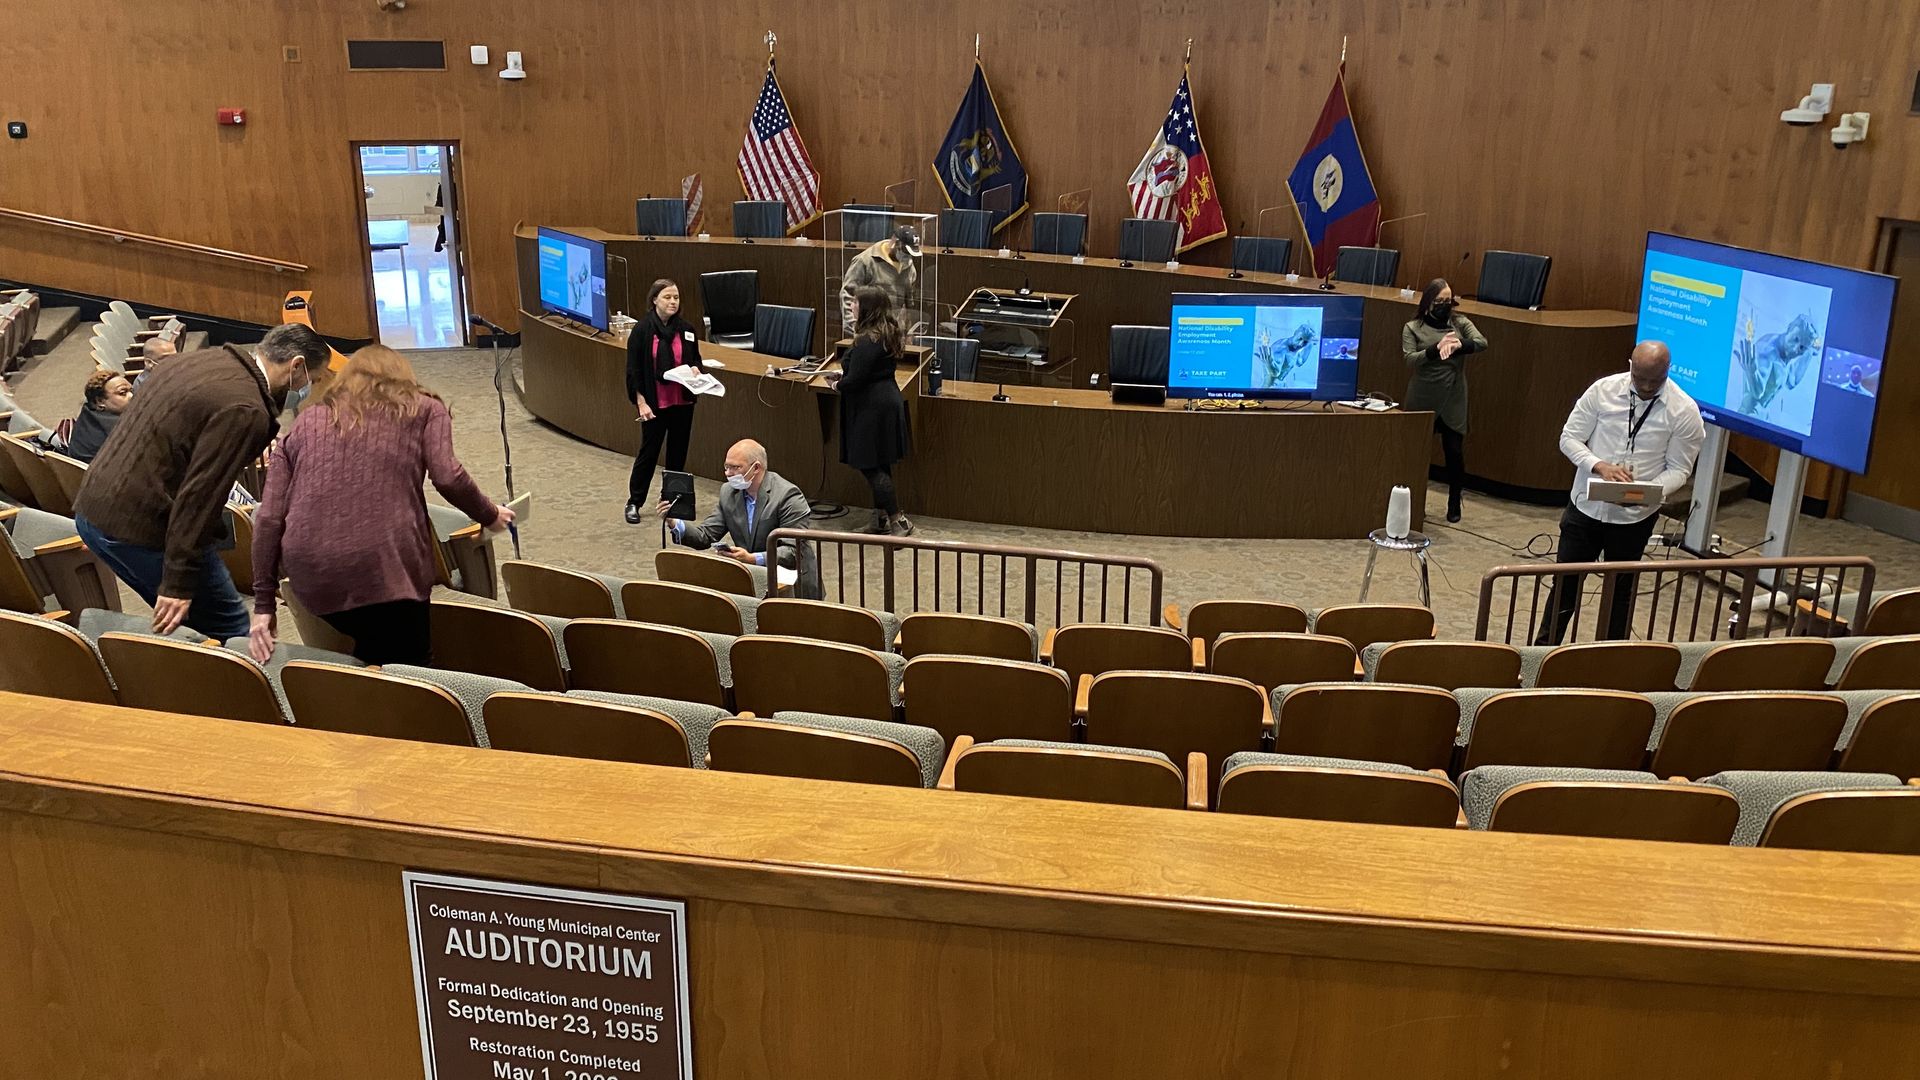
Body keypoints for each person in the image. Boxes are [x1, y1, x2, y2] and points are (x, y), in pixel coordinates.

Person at [248, 345, 510, 665]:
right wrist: (490, 514)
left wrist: (263, 605)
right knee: (411, 666)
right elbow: (448, 477)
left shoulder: (305, 422)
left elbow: (269, 518)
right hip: (385, 569)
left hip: (311, 576)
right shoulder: (424, 408)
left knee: (374, 644)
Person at [72, 324, 322, 638]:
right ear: (297, 366)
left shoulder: (196, 362)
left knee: (189, 626)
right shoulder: (246, 409)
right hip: (143, 529)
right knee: (234, 636)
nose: (311, 387)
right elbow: (200, 497)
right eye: (315, 377)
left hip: (94, 511)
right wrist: (178, 580)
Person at [1537, 341, 1706, 645]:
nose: (1645, 386)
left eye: (1654, 381)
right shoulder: (1602, 390)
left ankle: (1611, 659)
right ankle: (1542, 654)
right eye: (1639, 377)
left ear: (1668, 371)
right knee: (1565, 586)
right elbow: (1569, 438)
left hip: (1635, 516)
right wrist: (1598, 465)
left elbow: (1680, 469)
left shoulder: (1684, 411)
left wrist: (1643, 492)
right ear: (1630, 365)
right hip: (1586, 508)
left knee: (1620, 594)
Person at [657, 439, 820, 598]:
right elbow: (706, 535)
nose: (728, 473)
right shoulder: (728, 492)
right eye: (726, 467)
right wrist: (672, 521)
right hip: (753, 580)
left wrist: (752, 558)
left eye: (735, 468)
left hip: (792, 586)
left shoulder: (788, 496)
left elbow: (793, 552)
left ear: (756, 468)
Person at [830, 285, 914, 536]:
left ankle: (898, 521)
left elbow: (856, 380)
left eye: (855, 303)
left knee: (870, 465)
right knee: (880, 463)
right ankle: (879, 521)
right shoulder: (882, 334)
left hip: (872, 409)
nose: (851, 306)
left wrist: (837, 383)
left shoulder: (868, 340)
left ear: (866, 308)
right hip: (883, 403)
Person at [1401, 279, 1487, 523]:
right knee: (1414, 453)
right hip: (1423, 395)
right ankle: (1413, 502)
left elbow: (1482, 342)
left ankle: (1454, 501)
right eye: (1439, 301)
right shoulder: (1412, 327)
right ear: (1428, 303)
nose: (1444, 306)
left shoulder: (1459, 322)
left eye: (1448, 301)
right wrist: (1435, 349)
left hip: (1453, 396)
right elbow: (1410, 359)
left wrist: (1458, 345)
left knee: (1454, 452)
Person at [624, 278, 702, 525]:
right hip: (655, 405)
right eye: (667, 297)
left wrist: (697, 371)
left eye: (676, 297)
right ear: (655, 300)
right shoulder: (642, 330)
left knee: (677, 455)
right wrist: (641, 403)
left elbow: (696, 361)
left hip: (682, 403)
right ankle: (634, 502)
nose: (672, 302)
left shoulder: (687, 330)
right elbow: (633, 371)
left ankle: (672, 502)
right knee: (649, 453)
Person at [839, 224, 920, 334]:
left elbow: (909, 304)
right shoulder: (866, 261)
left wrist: (908, 331)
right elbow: (848, 295)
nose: (908, 257)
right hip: (867, 331)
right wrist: (854, 329)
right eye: (905, 252)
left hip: (892, 333)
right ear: (895, 243)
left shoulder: (909, 267)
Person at [66, 368, 133, 463]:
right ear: (100, 401)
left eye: (131, 390)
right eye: (122, 393)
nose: (131, 396)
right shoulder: (117, 428)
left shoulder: (88, 414)